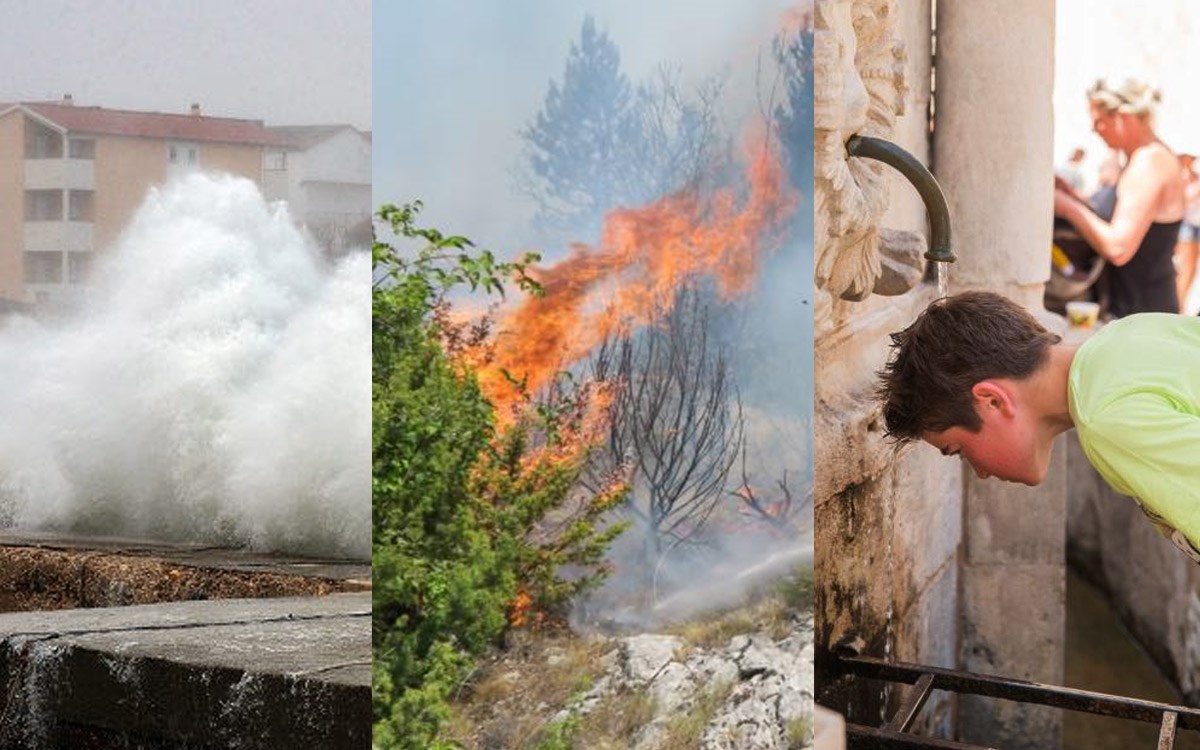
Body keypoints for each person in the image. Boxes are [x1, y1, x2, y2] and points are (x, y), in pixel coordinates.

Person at [876, 291, 1200, 563]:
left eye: (960, 452)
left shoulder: (1106, 417)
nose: (981, 472)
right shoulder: (1127, 333)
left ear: (992, 401)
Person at [1054, 78, 1185, 318]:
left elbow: (1118, 247)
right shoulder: (1140, 159)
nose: (1095, 130)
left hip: (1144, 314)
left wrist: (1067, 207)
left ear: (1122, 117)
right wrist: (1073, 196)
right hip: (1133, 310)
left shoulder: (1150, 163)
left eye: (1099, 122)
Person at [1174, 153, 1200, 312]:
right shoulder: (1180, 177)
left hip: (1196, 223)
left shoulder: (1195, 176)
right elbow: (1184, 200)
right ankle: (1178, 308)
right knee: (1186, 268)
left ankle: (1181, 307)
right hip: (1187, 224)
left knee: (1191, 269)